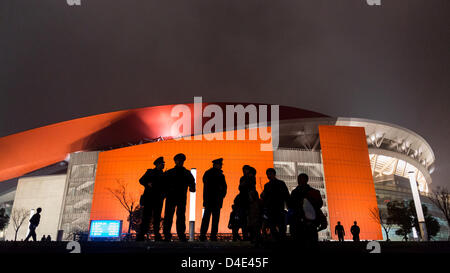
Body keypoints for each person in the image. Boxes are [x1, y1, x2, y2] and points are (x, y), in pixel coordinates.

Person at [163, 153, 196, 242]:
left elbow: (163, 185)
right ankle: (180, 235)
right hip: (179, 197)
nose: (180, 162)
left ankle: (168, 235)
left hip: (172, 198)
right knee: (178, 216)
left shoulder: (169, 172)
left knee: (171, 216)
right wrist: (192, 187)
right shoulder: (186, 173)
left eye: (181, 161)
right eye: (179, 161)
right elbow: (192, 186)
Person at [288, 173, 323, 245]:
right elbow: (319, 204)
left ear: (306, 180)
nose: (299, 181)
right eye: (299, 179)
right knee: (310, 240)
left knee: (300, 240)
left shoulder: (295, 192)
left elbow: (291, 205)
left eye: (300, 179)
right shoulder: (314, 192)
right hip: (308, 219)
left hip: (300, 219)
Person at [136, 156, 166, 241]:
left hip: (158, 199)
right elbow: (141, 180)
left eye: (163, 164)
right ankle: (141, 235)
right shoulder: (150, 172)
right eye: (161, 164)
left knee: (157, 218)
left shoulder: (163, 174)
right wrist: (147, 183)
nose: (163, 165)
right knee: (146, 217)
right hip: (149, 198)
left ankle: (157, 235)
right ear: (157, 164)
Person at [199, 158, 227, 241]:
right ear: (216, 165)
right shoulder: (219, 175)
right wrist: (221, 195)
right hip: (214, 200)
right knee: (214, 219)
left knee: (207, 218)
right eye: (220, 164)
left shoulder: (208, 173)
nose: (221, 166)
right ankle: (212, 236)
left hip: (210, 200)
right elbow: (224, 188)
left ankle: (203, 235)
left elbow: (224, 188)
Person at [260, 168, 290, 240]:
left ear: (274, 174)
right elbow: (286, 195)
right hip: (275, 208)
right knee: (276, 226)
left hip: (276, 208)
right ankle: (280, 239)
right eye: (267, 174)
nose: (268, 176)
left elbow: (286, 195)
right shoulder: (278, 183)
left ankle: (278, 239)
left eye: (269, 174)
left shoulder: (269, 185)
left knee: (276, 226)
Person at [246, 167, 262, 244]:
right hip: (253, 210)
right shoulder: (253, 186)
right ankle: (255, 238)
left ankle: (254, 238)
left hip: (253, 211)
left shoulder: (249, 182)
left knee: (252, 223)